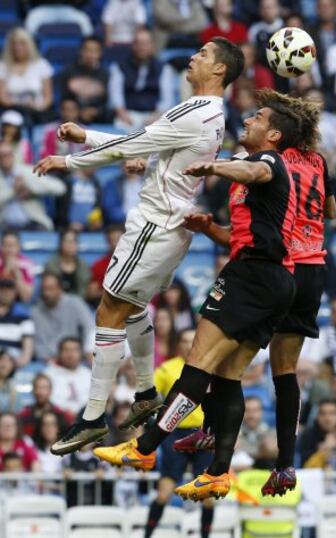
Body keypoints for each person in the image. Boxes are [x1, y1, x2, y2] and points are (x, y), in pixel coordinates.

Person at [93, 90, 310, 501]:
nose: (248, 120)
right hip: (273, 280)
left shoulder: (266, 162)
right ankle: (217, 472)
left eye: (258, 117)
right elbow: (246, 235)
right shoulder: (252, 168)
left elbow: (254, 173)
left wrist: (214, 165)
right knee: (227, 376)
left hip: (253, 279)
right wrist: (210, 228)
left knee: (197, 366)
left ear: (275, 135)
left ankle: (143, 448)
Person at [33, 37, 245, 455]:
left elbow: (134, 143)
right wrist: (92, 136)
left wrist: (71, 158)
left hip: (155, 224)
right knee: (131, 308)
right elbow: (159, 151)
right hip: (173, 223)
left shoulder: (195, 110)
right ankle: (147, 392)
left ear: (220, 70)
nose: (192, 57)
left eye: (203, 54)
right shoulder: (214, 115)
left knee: (109, 309)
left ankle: (93, 417)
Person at [165, 91, 336, 496]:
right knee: (284, 371)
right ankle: (285, 466)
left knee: (222, 360)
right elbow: (329, 210)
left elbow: (253, 184)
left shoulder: (268, 161)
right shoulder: (317, 161)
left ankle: (209, 431)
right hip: (314, 268)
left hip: (277, 267)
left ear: (278, 132)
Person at [134, 329, 214, 538]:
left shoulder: (211, 368)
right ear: (179, 344)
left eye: (194, 340)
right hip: (174, 434)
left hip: (204, 434)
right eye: (186, 340)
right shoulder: (167, 369)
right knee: (164, 492)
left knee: (208, 496)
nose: (190, 344)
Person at [109, 29, 175, 132]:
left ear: (152, 46)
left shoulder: (164, 68)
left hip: (154, 114)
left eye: (145, 44)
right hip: (128, 114)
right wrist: (122, 113)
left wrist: (157, 115)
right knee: (119, 127)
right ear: (133, 45)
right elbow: (115, 94)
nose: (142, 48)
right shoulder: (119, 67)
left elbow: (167, 98)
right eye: (138, 44)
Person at [0, 142, 65, 232]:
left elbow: (60, 188)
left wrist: (31, 190)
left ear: (13, 155)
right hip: (5, 225)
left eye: (8, 155)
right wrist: (13, 190)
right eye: (2, 156)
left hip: (33, 223)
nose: (6, 159)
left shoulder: (28, 172)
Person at [32, 272, 94, 363]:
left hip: (76, 359)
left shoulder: (75, 303)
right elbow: (38, 342)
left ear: (60, 289)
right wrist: (49, 360)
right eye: (43, 289)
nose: (46, 293)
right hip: (48, 361)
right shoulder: (36, 311)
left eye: (50, 289)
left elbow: (90, 330)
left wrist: (84, 353)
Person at [0, 27, 53, 123]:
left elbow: (48, 98)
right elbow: (2, 98)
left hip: (38, 112)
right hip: (11, 113)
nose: (17, 47)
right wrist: (20, 104)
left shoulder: (41, 64)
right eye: (14, 44)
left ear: (29, 45)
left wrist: (38, 107)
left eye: (21, 44)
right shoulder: (3, 66)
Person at [59, 36, 111, 124]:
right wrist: (78, 112)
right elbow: (64, 98)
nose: (90, 54)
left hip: (99, 117)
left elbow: (108, 102)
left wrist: (96, 111)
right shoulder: (68, 72)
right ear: (81, 51)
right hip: (73, 117)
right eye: (87, 50)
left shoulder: (106, 74)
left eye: (94, 51)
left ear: (100, 53)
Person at [44, 337, 91, 415]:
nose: (70, 354)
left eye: (74, 350)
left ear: (80, 353)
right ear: (59, 353)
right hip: (58, 417)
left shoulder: (89, 374)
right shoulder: (49, 374)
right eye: (66, 350)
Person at [18, 373, 73, 438]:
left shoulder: (61, 414)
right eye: (37, 388)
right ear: (33, 390)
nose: (40, 392)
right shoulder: (24, 414)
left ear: (50, 390)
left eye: (44, 388)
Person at [86, 224, 124, 308]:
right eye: (112, 240)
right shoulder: (99, 266)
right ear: (107, 243)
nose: (115, 244)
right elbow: (91, 294)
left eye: (118, 240)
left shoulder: (136, 264)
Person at [44, 229, 91, 298]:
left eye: (73, 241)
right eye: (67, 241)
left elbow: (84, 291)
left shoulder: (83, 266)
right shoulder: (51, 265)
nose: (70, 245)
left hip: (79, 303)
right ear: (60, 244)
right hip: (55, 303)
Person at [0, 278, 34, 367]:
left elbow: (27, 350)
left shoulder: (23, 317)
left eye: (9, 290)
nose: (6, 293)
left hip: (13, 361)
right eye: (2, 290)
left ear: (14, 293)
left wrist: (18, 364)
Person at [296, 399, 336, 466]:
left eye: (332, 413)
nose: (327, 418)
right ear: (317, 417)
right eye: (323, 414)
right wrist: (321, 452)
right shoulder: (308, 436)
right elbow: (305, 466)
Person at [0, 229, 35, 303]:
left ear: (19, 247)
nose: (9, 249)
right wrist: (6, 271)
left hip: (17, 302)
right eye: (6, 245)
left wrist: (17, 274)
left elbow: (26, 297)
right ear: (1, 247)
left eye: (12, 246)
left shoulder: (27, 264)